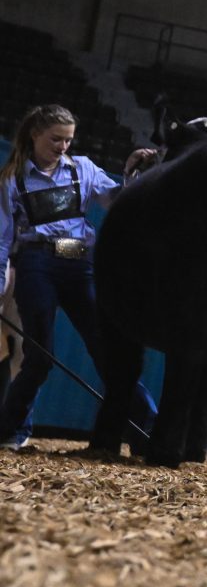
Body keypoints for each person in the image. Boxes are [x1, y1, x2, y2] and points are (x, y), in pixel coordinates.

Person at [0, 105, 158, 452]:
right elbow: (2, 238)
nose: (62, 147)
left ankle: (148, 430)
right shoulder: (13, 179)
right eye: (55, 139)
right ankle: (12, 429)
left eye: (68, 140)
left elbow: (117, 201)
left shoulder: (83, 168)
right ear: (34, 135)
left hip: (79, 264)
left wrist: (129, 174)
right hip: (36, 264)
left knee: (109, 351)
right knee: (39, 354)